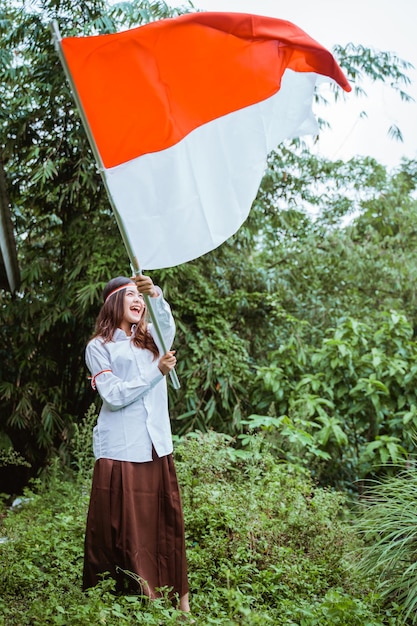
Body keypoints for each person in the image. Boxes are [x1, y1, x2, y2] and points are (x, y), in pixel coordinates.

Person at [82, 274, 189, 613]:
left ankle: (177, 600)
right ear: (114, 301)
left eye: (139, 296)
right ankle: (120, 599)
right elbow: (112, 396)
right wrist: (156, 372)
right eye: (130, 295)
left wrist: (154, 293)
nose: (137, 301)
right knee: (121, 528)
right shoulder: (98, 347)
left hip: (156, 443)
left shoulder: (150, 338)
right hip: (121, 448)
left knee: (163, 525)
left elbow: (166, 324)